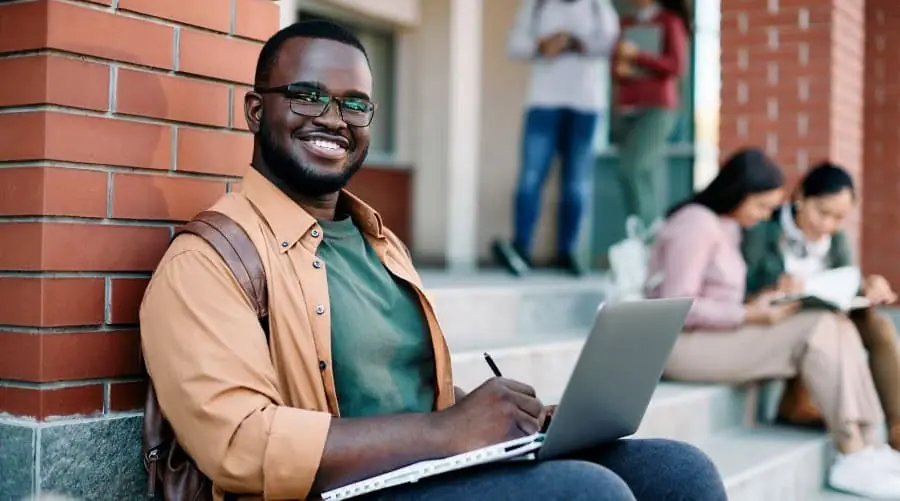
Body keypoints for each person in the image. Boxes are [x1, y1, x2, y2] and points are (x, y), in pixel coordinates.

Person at [139, 20, 727, 501]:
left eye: (355, 105)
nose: (333, 119)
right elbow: (240, 446)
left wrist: (496, 419)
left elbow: (406, 394)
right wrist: (445, 430)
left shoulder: (377, 241)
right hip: (335, 493)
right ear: (255, 111)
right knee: (588, 495)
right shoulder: (209, 259)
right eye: (307, 96)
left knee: (681, 474)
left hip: (420, 470)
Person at [645, 148, 900, 499]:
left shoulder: (727, 226)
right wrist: (751, 314)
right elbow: (674, 306)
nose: (767, 215)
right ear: (739, 193)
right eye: (762, 206)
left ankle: (871, 446)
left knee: (834, 322)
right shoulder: (695, 223)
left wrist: (758, 303)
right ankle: (852, 451)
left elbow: (721, 296)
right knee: (816, 326)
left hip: (716, 334)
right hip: (678, 346)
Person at [742, 161, 900, 449]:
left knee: (880, 327)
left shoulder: (837, 240)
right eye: (822, 212)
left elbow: (846, 280)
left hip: (830, 314)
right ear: (801, 197)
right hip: (781, 319)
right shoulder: (764, 230)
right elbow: (744, 289)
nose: (828, 225)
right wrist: (776, 287)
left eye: (839, 217)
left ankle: (897, 430)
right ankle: (823, 417)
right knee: (828, 328)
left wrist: (868, 285)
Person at [494, 0, 620, 277]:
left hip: (586, 105)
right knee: (530, 177)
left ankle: (568, 251)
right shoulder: (536, 5)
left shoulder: (598, 6)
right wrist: (542, 45)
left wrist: (574, 43)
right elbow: (514, 45)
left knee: (577, 182)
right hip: (543, 103)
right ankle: (521, 249)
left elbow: (611, 44)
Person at [612, 0, 689, 228]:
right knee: (645, 174)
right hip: (628, 107)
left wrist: (638, 56)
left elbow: (677, 66)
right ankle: (648, 235)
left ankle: (643, 235)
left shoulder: (669, 21)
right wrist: (620, 67)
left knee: (632, 169)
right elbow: (616, 68)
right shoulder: (625, 23)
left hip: (657, 107)